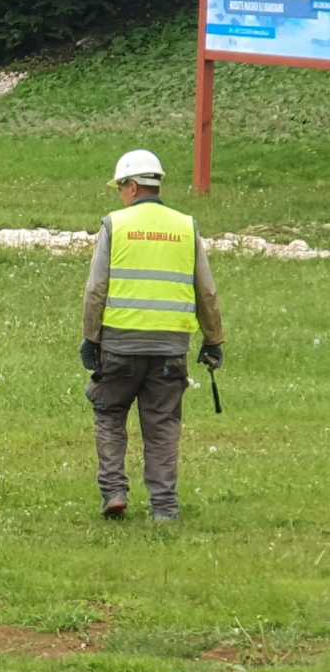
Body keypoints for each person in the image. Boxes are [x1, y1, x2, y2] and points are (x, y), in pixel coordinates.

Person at [81, 149, 224, 523]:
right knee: (162, 424)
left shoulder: (116, 225)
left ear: (131, 186)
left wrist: (91, 339)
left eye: (119, 187)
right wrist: (213, 340)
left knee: (110, 412)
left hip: (120, 343)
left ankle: (114, 491)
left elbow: (96, 289)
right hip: (170, 348)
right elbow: (206, 291)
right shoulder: (185, 226)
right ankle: (164, 507)